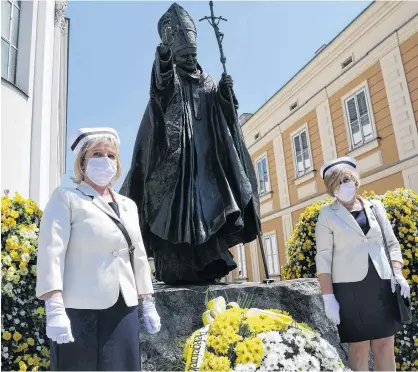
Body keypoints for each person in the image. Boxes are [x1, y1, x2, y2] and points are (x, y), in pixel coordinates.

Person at [120, 3, 260, 285]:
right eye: (183, 54)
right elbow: (160, 88)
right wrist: (163, 54)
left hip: (207, 164)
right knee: (175, 215)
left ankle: (210, 264)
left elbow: (224, 118)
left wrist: (225, 95)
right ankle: (175, 266)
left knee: (210, 212)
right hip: (175, 163)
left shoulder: (207, 80)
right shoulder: (172, 75)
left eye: (193, 54)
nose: (189, 58)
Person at [36, 127, 161, 371]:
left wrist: (147, 301)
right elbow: (52, 252)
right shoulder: (67, 197)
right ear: (82, 163)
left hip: (123, 307)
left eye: (111, 155)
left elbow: (138, 256)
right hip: (79, 309)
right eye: (96, 154)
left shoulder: (128, 205)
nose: (105, 160)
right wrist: (54, 306)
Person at [315, 156, 410, 371]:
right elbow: (323, 257)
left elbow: (392, 243)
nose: (344, 186)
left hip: (382, 284)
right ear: (331, 188)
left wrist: (398, 272)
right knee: (358, 347)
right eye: (337, 183)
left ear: (355, 180)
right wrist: (328, 296)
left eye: (346, 180)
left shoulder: (375, 207)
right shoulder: (327, 215)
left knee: (385, 344)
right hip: (350, 289)